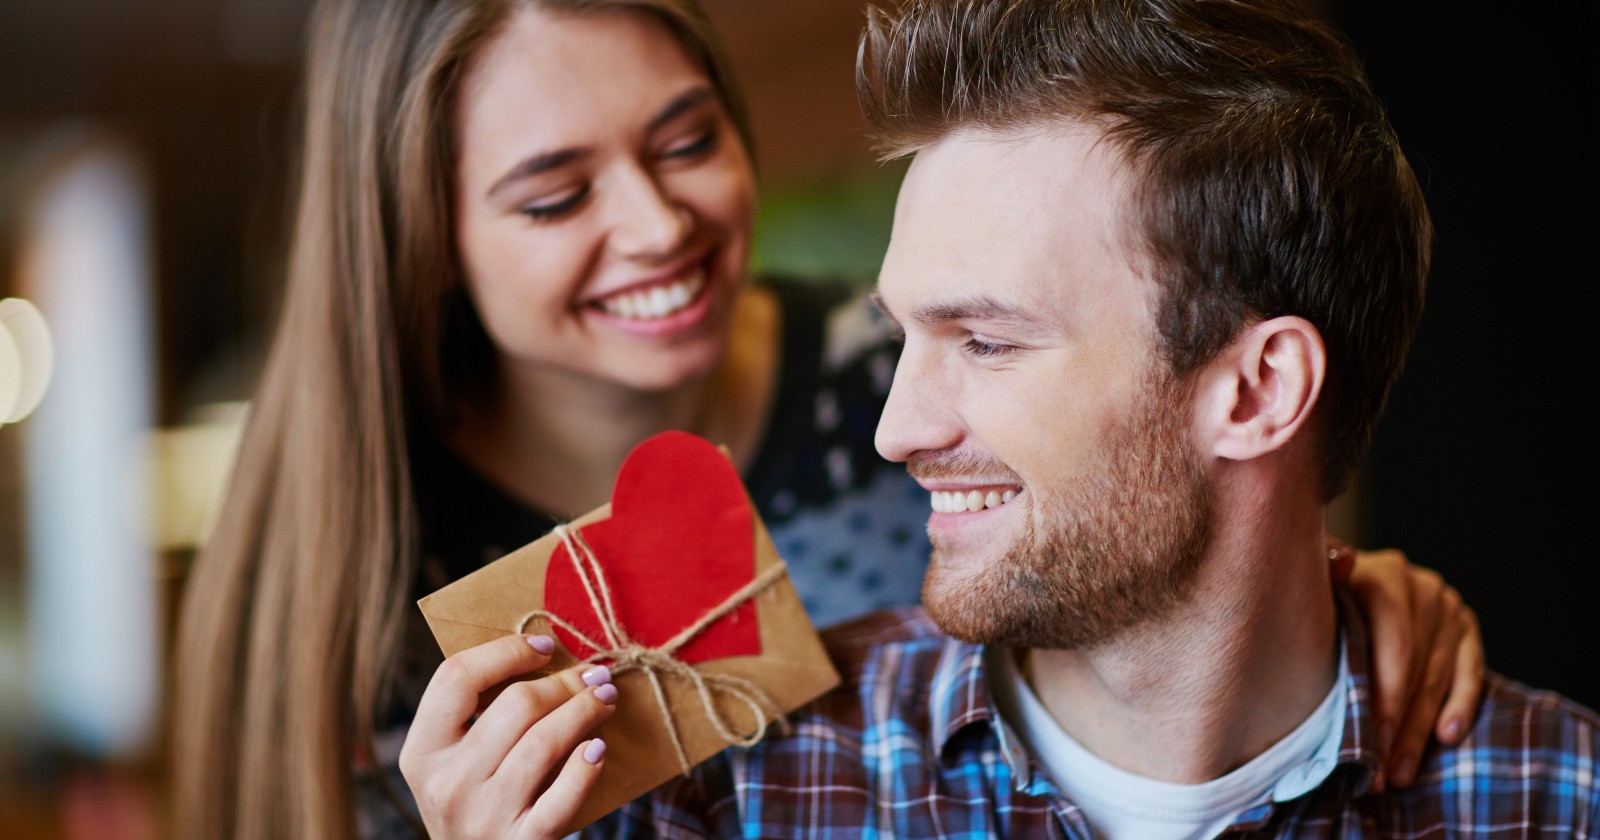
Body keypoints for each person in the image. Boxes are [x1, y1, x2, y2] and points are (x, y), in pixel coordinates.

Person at [173, 0, 1487, 837]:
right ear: (424, 240)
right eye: (552, 197)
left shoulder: (891, 364)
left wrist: (1324, 621)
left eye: (686, 140)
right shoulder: (357, 565)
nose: (655, 223)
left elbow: (1177, 528)